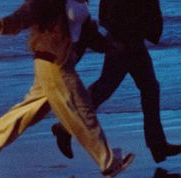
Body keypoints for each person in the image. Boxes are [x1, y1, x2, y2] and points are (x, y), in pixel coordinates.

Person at [0, 0, 134, 178]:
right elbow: (27, 12)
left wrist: (110, 47)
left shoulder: (81, 3)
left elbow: (89, 34)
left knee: (31, 110)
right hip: (55, 64)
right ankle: (108, 163)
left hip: (56, 63)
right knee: (81, 110)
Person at [52, 0, 181, 163]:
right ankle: (64, 127)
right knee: (108, 87)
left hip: (132, 40)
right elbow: (107, 13)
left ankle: (158, 145)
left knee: (145, 87)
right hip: (125, 41)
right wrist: (118, 37)